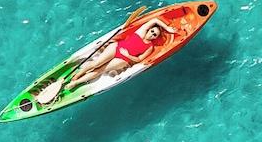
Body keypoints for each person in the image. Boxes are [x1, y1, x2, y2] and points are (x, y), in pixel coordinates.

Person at [34, 14, 170, 106]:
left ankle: (75, 83)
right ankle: (75, 76)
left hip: (124, 59)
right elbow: (154, 21)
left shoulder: (150, 47)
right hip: (117, 47)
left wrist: (127, 55)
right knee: (95, 63)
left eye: (155, 34)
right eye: (152, 31)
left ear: (155, 38)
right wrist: (167, 28)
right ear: (149, 30)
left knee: (100, 70)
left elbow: (139, 59)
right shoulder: (140, 32)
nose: (152, 34)